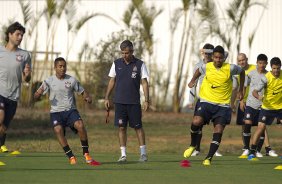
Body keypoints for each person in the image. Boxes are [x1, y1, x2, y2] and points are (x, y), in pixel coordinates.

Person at [183, 45, 245, 166]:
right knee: (196, 121)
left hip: (223, 105)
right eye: (216, 57)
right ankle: (192, 145)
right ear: (213, 57)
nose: (218, 60)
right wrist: (192, 80)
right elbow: (198, 71)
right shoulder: (207, 67)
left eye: (220, 58)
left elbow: (242, 72)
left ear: (224, 58)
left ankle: (208, 158)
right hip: (206, 101)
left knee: (218, 129)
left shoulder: (231, 68)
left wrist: (241, 90)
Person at [34, 57, 100, 166]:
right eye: (60, 66)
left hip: (70, 111)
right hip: (56, 112)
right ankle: (71, 156)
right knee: (58, 130)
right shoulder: (48, 81)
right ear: (55, 67)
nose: (63, 68)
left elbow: (83, 92)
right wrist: (37, 94)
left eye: (64, 66)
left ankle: (86, 154)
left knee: (80, 125)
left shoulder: (72, 80)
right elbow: (37, 93)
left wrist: (87, 97)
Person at [104, 40, 150, 163]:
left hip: (134, 102)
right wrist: (107, 97)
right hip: (119, 102)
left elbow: (144, 83)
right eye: (123, 53)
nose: (125, 55)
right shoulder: (116, 63)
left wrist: (146, 100)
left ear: (132, 51)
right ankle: (123, 155)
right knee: (121, 127)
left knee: (138, 127)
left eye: (127, 53)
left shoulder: (140, 64)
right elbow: (112, 81)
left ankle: (143, 154)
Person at [233, 53, 276, 157]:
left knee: (261, 127)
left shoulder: (269, 76)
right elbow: (243, 86)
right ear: (257, 63)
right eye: (259, 63)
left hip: (263, 106)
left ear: (266, 64)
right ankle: (247, 148)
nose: (261, 65)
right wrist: (242, 100)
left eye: (263, 63)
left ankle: (256, 150)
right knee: (247, 123)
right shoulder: (251, 74)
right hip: (250, 104)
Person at [0, 22, 31, 155]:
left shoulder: (25, 55)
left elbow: (27, 79)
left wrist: (28, 75)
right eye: (18, 34)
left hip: (14, 96)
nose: (20, 37)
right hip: (0, 92)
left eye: (22, 35)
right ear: (10, 34)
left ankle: (1, 146)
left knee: (3, 127)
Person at [187, 43, 222, 157]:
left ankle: (214, 149)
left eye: (209, 53)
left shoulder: (217, 65)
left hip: (216, 99)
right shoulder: (198, 66)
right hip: (202, 99)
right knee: (198, 124)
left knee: (216, 124)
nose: (207, 55)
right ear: (203, 53)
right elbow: (193, 83)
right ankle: (196, 148)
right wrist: (191, 100)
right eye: (205, 53)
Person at [248, 57, 282, 160]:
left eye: (278, 68)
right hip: (267, 107)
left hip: (280, 107)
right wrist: (259, 97)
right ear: (271, 68)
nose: (276, 71)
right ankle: (252, 152)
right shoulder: (266, 78)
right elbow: (254, 91)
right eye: (274, 68)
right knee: (261, 128)